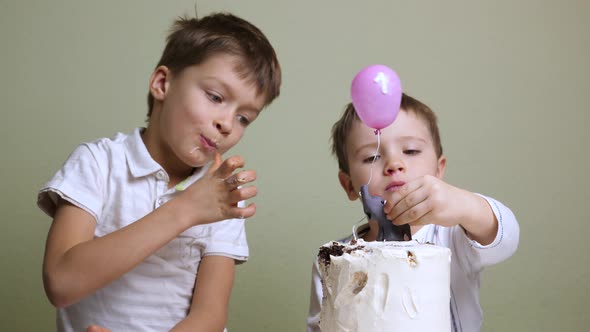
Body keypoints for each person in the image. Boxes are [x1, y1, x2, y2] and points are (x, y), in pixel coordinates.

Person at [37, 12, 281, 332]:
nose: (227, 124)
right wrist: (186, 209)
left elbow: (210, 315)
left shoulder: (222, 198)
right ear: (162, 84)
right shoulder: (97, 163)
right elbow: (61, 282)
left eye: (244, 118)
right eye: (216, 97)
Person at [307, 93, 519, 332]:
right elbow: (320, 325)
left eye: (410, 151)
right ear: (348, 185)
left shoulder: (456, 238)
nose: (394, 164)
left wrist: (465, 205)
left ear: (438, 170)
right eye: (372, 156)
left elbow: (506, 238)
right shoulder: (336, 259)